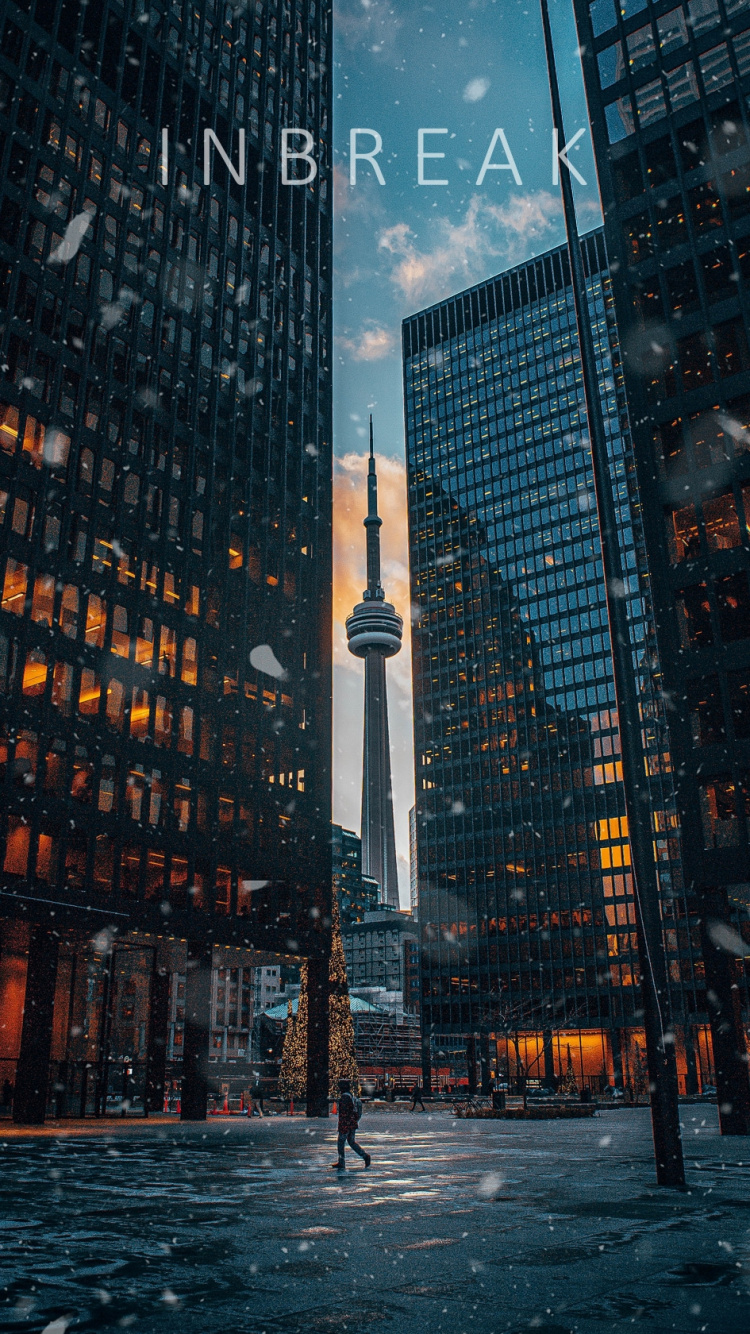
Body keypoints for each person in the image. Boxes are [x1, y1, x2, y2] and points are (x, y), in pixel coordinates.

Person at [330, 1078, 370, 1171]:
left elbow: (344, 1113)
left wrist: (343, 1125)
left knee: (341, 1142)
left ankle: (342, 1161)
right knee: (351, 1142)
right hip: (352, 1123)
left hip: (346, 1124)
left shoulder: (344, 1097)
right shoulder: (350, 1096)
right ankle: (364, 1156)